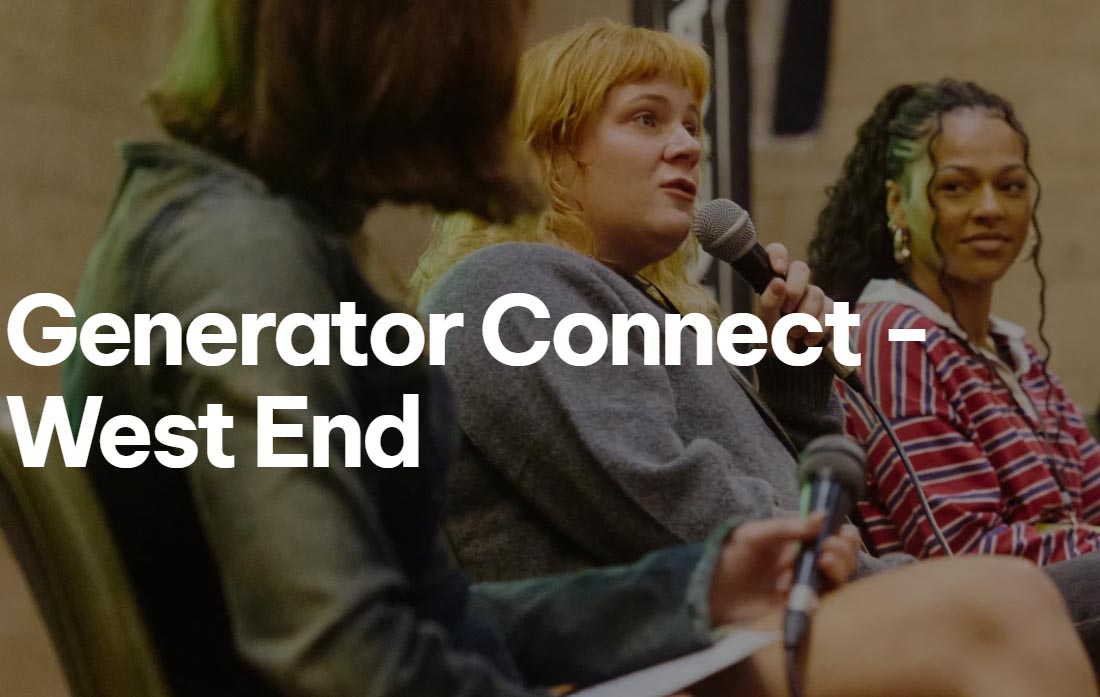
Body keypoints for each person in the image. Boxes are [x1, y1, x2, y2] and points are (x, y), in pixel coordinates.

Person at [58, 2, 1097, 694]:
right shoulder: (256, 256)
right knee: (994, 607)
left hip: (661, 640)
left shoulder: (251, 234)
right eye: (476, 26)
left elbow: (426, 609)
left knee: (995, 601)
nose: (482, 70)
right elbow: (336, 656)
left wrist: (695, 580)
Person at [808, 78, 1100, 666]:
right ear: (898, 204)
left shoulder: (1015, 351)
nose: (990, 208)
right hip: (968, 631)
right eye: (956, 187)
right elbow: (960, 551)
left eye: (1010, 186)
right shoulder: (889, 335)